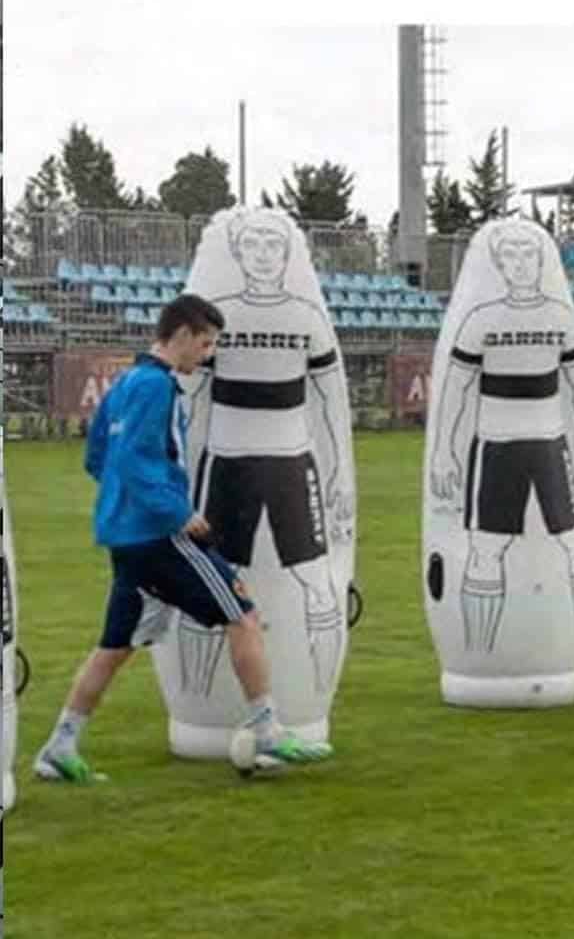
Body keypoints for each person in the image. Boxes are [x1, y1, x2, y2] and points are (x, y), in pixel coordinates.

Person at [33, 295, 332, 783]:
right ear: (182, 335)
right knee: (243, 616)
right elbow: (132, 458)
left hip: (127, 539)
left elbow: (98, 456)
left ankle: (59, 745)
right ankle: (267, 729)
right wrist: (177, 512)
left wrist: (124, 501)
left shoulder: (126, 381)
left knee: (115, 646)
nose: (207, 355)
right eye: (206, 343)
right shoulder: (156, 386)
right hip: (158, 536)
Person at [185, 208, 351, 696]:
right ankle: (198, 700)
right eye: (252, 244)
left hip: (291, 466)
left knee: (315, 580)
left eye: (273, 244)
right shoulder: (214, 315)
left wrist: (337, 474)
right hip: (225, 466)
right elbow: (190, 400)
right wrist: (179, 474)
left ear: (288, 253)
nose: (263, 254)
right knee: (209, 580)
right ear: (238, 253)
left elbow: (328, 401)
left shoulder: (306, 318)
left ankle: (314, 696)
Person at [430, 222, 574, 652]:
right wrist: (444, 452)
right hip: (496, 449)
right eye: (511, 255)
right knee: (486, 549)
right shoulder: (480, 319)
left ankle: (570, 648)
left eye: (528, 254)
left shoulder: (560, 318)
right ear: (499, 264)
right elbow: (454, 390)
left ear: (541, 261)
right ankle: (479, 654)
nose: (521, 264)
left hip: (550, 447)